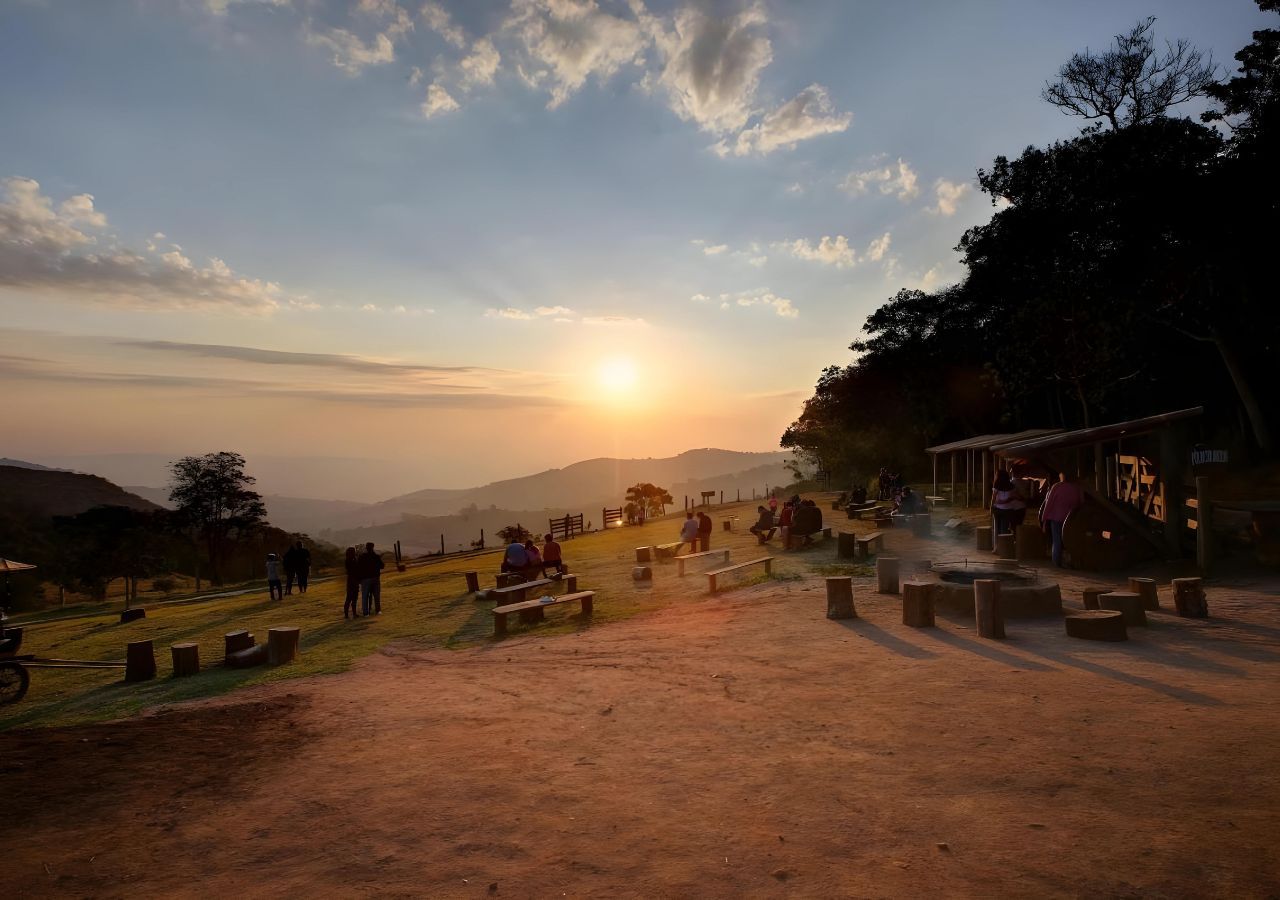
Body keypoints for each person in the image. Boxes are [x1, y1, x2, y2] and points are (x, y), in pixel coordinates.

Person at [1040, 472, 1085, 567]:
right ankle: (1070, 561)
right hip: (1071, 519)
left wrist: (1044, 520)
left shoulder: (1056, 487)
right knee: (1069, 540)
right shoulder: (1077, 488)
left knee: (1057, 540)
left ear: (1062, 476)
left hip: (1056, 518)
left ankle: (1057, 562)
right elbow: (1082, 503)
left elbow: (1048, 504)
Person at [991, 470, 1026, 536]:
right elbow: (1019, 497)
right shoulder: (1011, 486)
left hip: (998, 509)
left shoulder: (996, 485)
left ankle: (997, 543)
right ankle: (1005, 543)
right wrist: (1010, 499)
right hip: (1008, 510)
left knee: (996, 527)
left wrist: (991, 508)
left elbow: (993, 498)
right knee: (1004, 529)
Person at [358, 542, 384, 615]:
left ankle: (366, 613)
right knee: (376, 596)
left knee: (365, 596)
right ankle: (378, 610)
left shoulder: (362, 557)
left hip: (365, 579)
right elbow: (382, 566)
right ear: (373, 547)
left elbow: (359, 568)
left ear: (366, 548)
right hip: (375, 578)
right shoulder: (376, 556)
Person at [343, 546, 360, 619]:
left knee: (350, 598)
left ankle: (349, 614)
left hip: (351, 581)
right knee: (351, 598)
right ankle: (352, 614)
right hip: (353, 581)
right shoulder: (350, 561)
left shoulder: (349, 560)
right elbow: (355, 569)